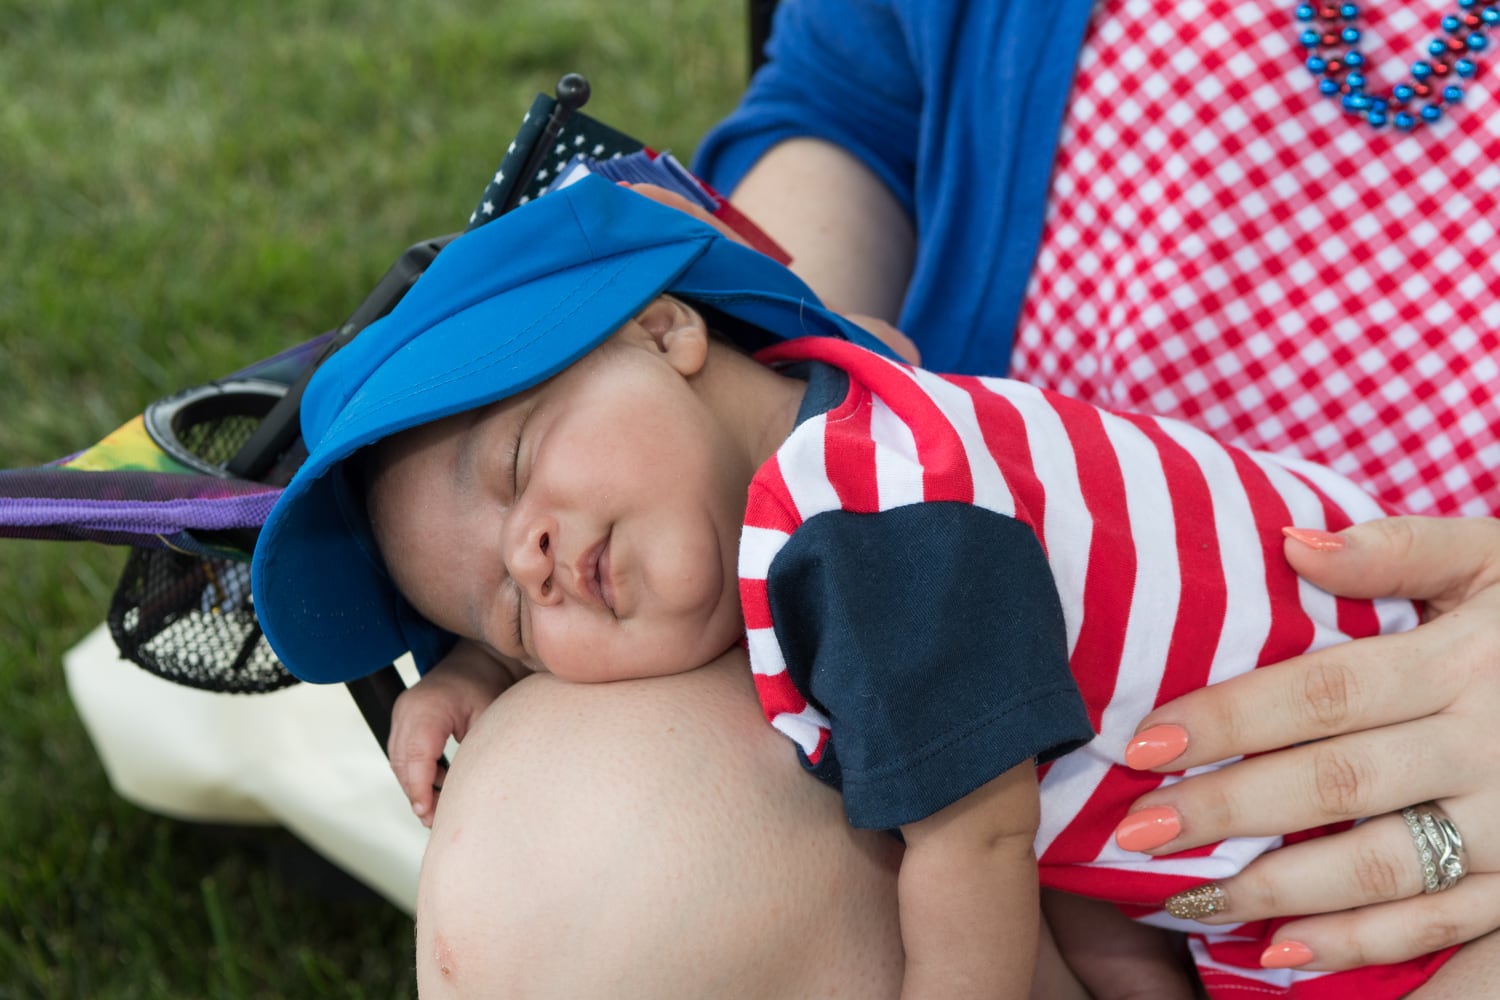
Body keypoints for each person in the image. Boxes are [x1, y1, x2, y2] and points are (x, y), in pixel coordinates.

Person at [399, 2, 1500, 994]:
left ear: (667, 325)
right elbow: (849, 102)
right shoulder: (854, 471)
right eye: (507, 604)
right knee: (566, 864)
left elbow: (976, 833)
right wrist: (493, 652)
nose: (530, 554)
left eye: (512, 469)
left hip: (1381, 766)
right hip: (1154, 810)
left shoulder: (877, 511)